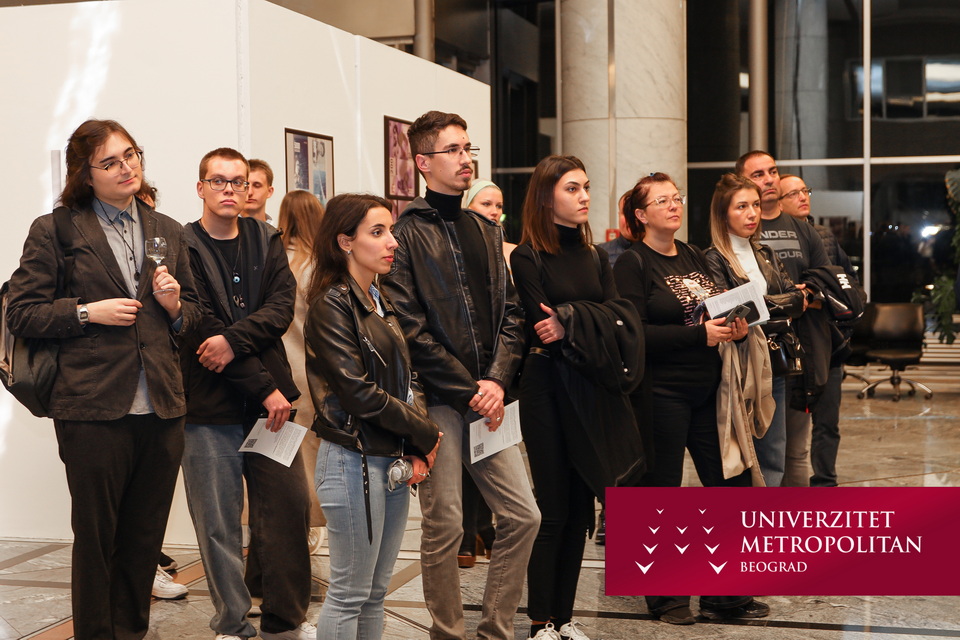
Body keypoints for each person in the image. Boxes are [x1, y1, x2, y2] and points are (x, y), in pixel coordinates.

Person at [6, 119, 200, 640]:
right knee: (97, 540)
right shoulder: (56, 229)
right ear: (85, 174)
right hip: (92, 410)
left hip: (162, 408)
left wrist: (175, 307)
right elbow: (21, 313)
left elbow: (195, 318)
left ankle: (131, 632)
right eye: (110, 162)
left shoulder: (167, 229)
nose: (126, 167)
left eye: (131, 154)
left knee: (144, 539)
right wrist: (86, 312)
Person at [381, 110, 540, 640]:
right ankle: (447, 632)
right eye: (452, 149)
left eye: (468, 147)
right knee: (446, 522)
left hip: (490, 397)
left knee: (523, 516)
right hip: (439, 401)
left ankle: (496, 629)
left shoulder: (487, 229)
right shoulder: (404, 234)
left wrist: (496, 381)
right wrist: (472, 389)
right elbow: (409, 329)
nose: (465, 158)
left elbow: (513, 314)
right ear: (423, 163)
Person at [612, 172, 767, 625]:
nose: (674, 205)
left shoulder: (693, 255)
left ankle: (725, 595)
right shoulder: (632, 263)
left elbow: (712, 312)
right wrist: (699, 336)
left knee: (731, 486)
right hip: (660, 392)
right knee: (660, 493)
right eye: (662, 201)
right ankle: (665, 597)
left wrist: (735, 327)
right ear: (641, 215)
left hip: (708, 390)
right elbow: (634, 335)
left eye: (676, 198)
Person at [180, 148, 314, 640]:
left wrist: (233, 342)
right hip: (209, 406)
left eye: (238, 181)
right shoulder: (183, 245)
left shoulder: (265, 238)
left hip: (271, 408)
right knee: (217, 524)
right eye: (218, 181)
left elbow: (279, 308)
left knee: (288, 512)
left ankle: (286, 620)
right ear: (201, 188)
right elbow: (199, 325)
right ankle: (232, 623)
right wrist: (262, 385)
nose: (230, 189)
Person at [510, 155, 644, 640]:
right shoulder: (527, 256)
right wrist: (584, 318)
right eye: (572, 188)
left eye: (585, 186)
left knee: (581, 509)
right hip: (547, 388)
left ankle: (564, 619)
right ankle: (540, 622)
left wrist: (569, 317)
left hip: (590, 385)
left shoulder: (594, 256)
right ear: (546, 198)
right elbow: (541, 326)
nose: (584, 195)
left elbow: (622, 316)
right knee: (553, 509)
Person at [304, 193, 441, 639]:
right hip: (352, 459)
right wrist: (426, 432)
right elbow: (359, 394)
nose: (392, 242)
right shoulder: (332, 304)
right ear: (345, 241)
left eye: (391, 231)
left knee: (375, 592)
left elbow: (408, 379)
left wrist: (418, 440)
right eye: (377, 232)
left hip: (389, 458)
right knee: (350, 592)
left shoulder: (379, 299)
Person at [703, 173, 804, 487]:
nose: (752, 213)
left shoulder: (765, 253)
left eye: (756, 205)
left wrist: (758, 304)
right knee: (740, 451)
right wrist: (771, 304)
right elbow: (725, 312)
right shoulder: (713, 258)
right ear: (723, 215)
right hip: (738, 362)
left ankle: (765, 512)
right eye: (742, 206)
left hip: (774, 358)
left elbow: (797, 301)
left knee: (774, 449)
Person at [737, 151, 831, 487]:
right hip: (752, 353)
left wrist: (807, 293)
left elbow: (824, 276)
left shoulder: (802, 229)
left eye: (772, 171)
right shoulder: (741, 235)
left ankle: (791, 517)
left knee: (793, 451)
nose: (769, 179)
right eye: (758, 174)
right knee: (756, 452)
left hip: (800, 351)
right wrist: (789, 300)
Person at [778, 174, 865, 486]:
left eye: (805, 190)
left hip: (830, 344)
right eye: (793, 193)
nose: (803, 197)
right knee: (790, 434)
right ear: (778, 202)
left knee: (828, 423)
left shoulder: (825, 237)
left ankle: (826, 484)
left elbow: (851, 287)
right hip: (791, 348)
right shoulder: (770, 240)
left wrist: (824, 300)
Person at [458, 178, 508, 568]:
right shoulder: (456, 251)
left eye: (498, 206)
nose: (493, 212)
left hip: (501, 372)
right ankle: (469, 532)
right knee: (468, 457)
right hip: (463, 373)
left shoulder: (509, 252)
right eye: (485, 203)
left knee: (490, 449)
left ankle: (484, 529)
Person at [597, 190, 634, 267]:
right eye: (625, 213)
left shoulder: (656, 251)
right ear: (619, 215)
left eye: (633, 213)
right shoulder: (601, 253)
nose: (630, 219)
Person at [242, 158, 276, 223]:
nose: (250, 192)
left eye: (257, 186)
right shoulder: (224, 227)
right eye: (245, 185)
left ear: (269, 191)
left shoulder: (278, 229)